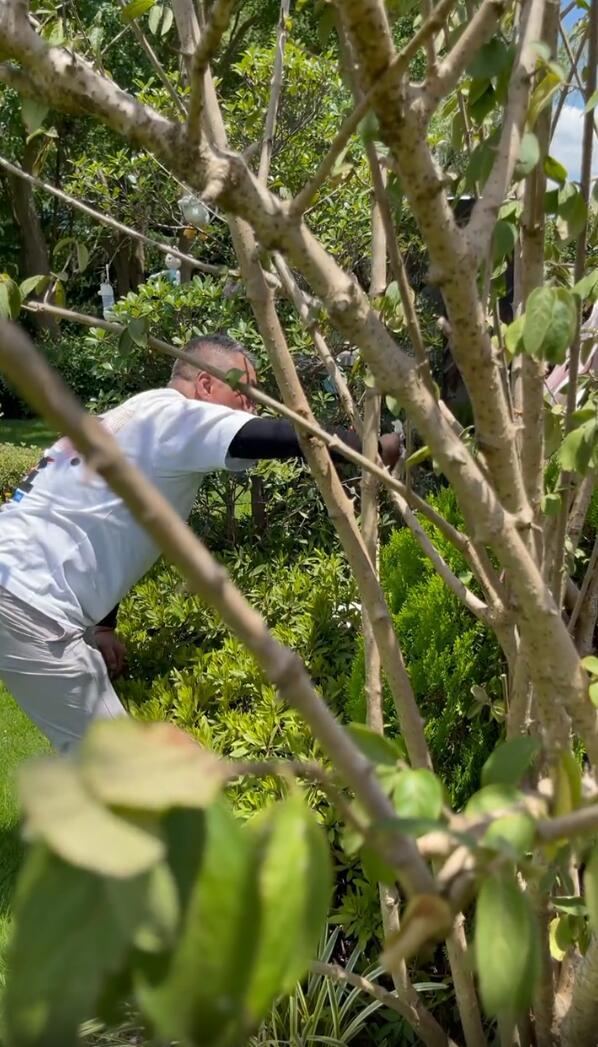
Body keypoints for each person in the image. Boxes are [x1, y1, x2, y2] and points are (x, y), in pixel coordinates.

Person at [0, 333, 401, 751]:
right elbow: (274, 437)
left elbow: (105, 514)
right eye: (244, 391)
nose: (253, 406)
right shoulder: (178, 416)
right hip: (32, 601)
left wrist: (103, 627)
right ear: (206, 385)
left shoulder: (134, 419)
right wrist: (365, 448)